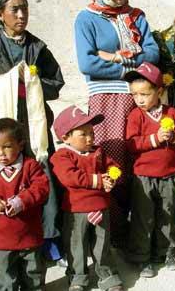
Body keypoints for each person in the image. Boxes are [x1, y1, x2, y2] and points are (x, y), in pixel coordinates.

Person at [0, 0, 65, 263]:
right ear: (1, 15)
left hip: (32, 129)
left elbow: (56, 84)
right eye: (14, 10)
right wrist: (2, 85)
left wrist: (31, 86)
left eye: (24, 9)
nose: (21, 15)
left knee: (39, 181)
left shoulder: (38, 48)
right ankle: (0, 240)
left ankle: (48, 237)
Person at [74, 0, 159, 248]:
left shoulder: (136, 16)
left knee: (138, 156)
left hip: (137, 97)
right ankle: (112, 231)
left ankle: (140, 229)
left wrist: (110, 57)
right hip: (106, 99)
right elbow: (87, 63)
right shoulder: (86, 19)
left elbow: (152, 53)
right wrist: (129, 66)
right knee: (110, 160)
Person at [124, 62, 175, 277]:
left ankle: (164, 252)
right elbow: (131, 143)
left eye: (145, 94)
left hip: (169, 175)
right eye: (135, 95)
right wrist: (154, 139)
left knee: (166, 215)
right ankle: (141, 257)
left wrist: (174, 136)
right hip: (143, 177)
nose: (139, 99)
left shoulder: (171, 112)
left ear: (159, 92)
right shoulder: (136, 116)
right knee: (143, 218)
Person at [51, 106, 124, 291]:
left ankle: (107, 276)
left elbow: (113, 166)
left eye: (91, 132)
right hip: (76, 210)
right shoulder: (62, 156)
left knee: (102, 244)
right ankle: (77, 278)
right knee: (77, 246)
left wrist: (112, 177)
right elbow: (70, 177)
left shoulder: (98, 151)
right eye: (82, 134)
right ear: (65, 137)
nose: (90, 138)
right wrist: (99, 180)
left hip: (100, 207)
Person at [0, 118, 49, 290]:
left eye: (7, 146)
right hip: (1, 241)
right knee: (5, 278)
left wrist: (22, 200)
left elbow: (42, 188)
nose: (1, 153)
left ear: (20, 145)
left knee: (33, 275)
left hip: (29, 236)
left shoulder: (31, 167)